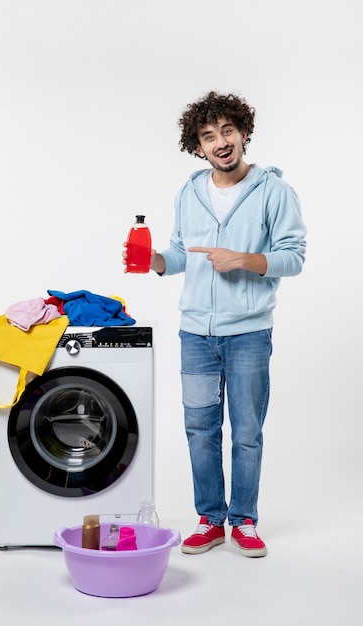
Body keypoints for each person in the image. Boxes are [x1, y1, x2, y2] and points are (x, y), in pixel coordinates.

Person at [123, 91, 307, 557]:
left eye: (227, 131)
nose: (220, 142)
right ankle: (210, 519)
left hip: (248, 332)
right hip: (196, 336)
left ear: (244, 133)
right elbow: (182, 253)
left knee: (246, 431)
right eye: (208, 136)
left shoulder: (274, 192)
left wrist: (244, 260)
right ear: (198, 146)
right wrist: (155, 262)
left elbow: (294, 256)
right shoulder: (189, 192)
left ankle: (244, 521)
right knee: (200, 430)